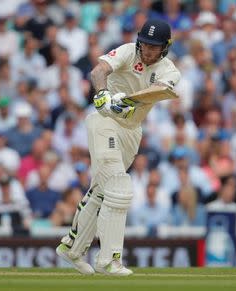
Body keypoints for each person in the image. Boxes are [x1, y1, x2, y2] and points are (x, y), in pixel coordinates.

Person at [56, 19, 180, 276]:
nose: (147, 51)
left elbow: (159, 90)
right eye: (145, 44)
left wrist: (127, 102)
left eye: (154, 47)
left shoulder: (170, 71)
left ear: (165, 48)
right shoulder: (126, 51)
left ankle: (72, 248)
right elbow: (97, 72)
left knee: (102, 191)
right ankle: (108, 260)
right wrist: (102, 95)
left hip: (131, 131)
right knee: (118, 185)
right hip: (104, 121)